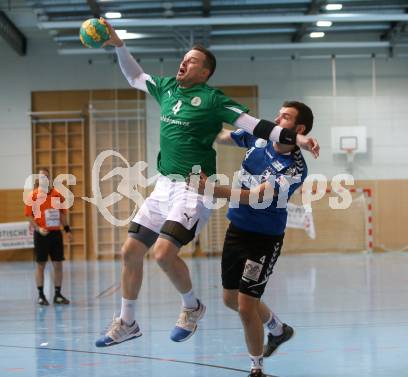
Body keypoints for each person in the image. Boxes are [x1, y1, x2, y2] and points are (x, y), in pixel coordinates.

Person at [95, 18, 319, 347]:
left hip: (194, 188)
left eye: (193, 61)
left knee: (162, 254)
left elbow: (258, 126)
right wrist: (118, 45)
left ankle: (192, 307)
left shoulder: (213, 99)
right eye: (183, 59)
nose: (184, 63)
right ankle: (127, 322)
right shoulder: (168, 88)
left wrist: (297, 141)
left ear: (205, 72)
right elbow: (134, 76)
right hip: (163, 186)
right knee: (129, 251)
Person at [191, 101, 314, 377]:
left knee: (247, 306)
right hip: (237, 228)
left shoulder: (294, 168)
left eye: (284, 116)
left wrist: (211, 190)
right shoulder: (261, 137)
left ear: (299, 128)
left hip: (264, 239)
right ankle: (279, 330)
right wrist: (197, 125)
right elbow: (223, 136)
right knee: (230, 299)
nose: (276, 118)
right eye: (278, 112)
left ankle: (256, 369)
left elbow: (258, 196)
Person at [25, 168, 72, 306]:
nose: (44, 179)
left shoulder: (57, 195)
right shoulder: (33, 196)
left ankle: (57, 294)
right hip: (41, 235)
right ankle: (41, 295)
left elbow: (62, 215)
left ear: (49, 178)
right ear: (38, 180)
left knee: (58, 264)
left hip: (55, 234)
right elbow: (29, 217)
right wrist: (39, 228)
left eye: (46, 176)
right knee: (40, 265)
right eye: (41, 177)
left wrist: (67, 230)